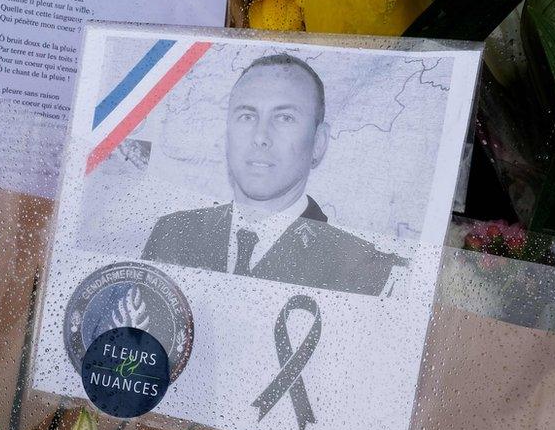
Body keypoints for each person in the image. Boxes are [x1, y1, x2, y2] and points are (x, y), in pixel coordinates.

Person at [142, 54, 407, 297]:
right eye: (247, 116)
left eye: (285, 118)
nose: (260, 137)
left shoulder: (362, 268)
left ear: (319, 142)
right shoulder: (172, 235)